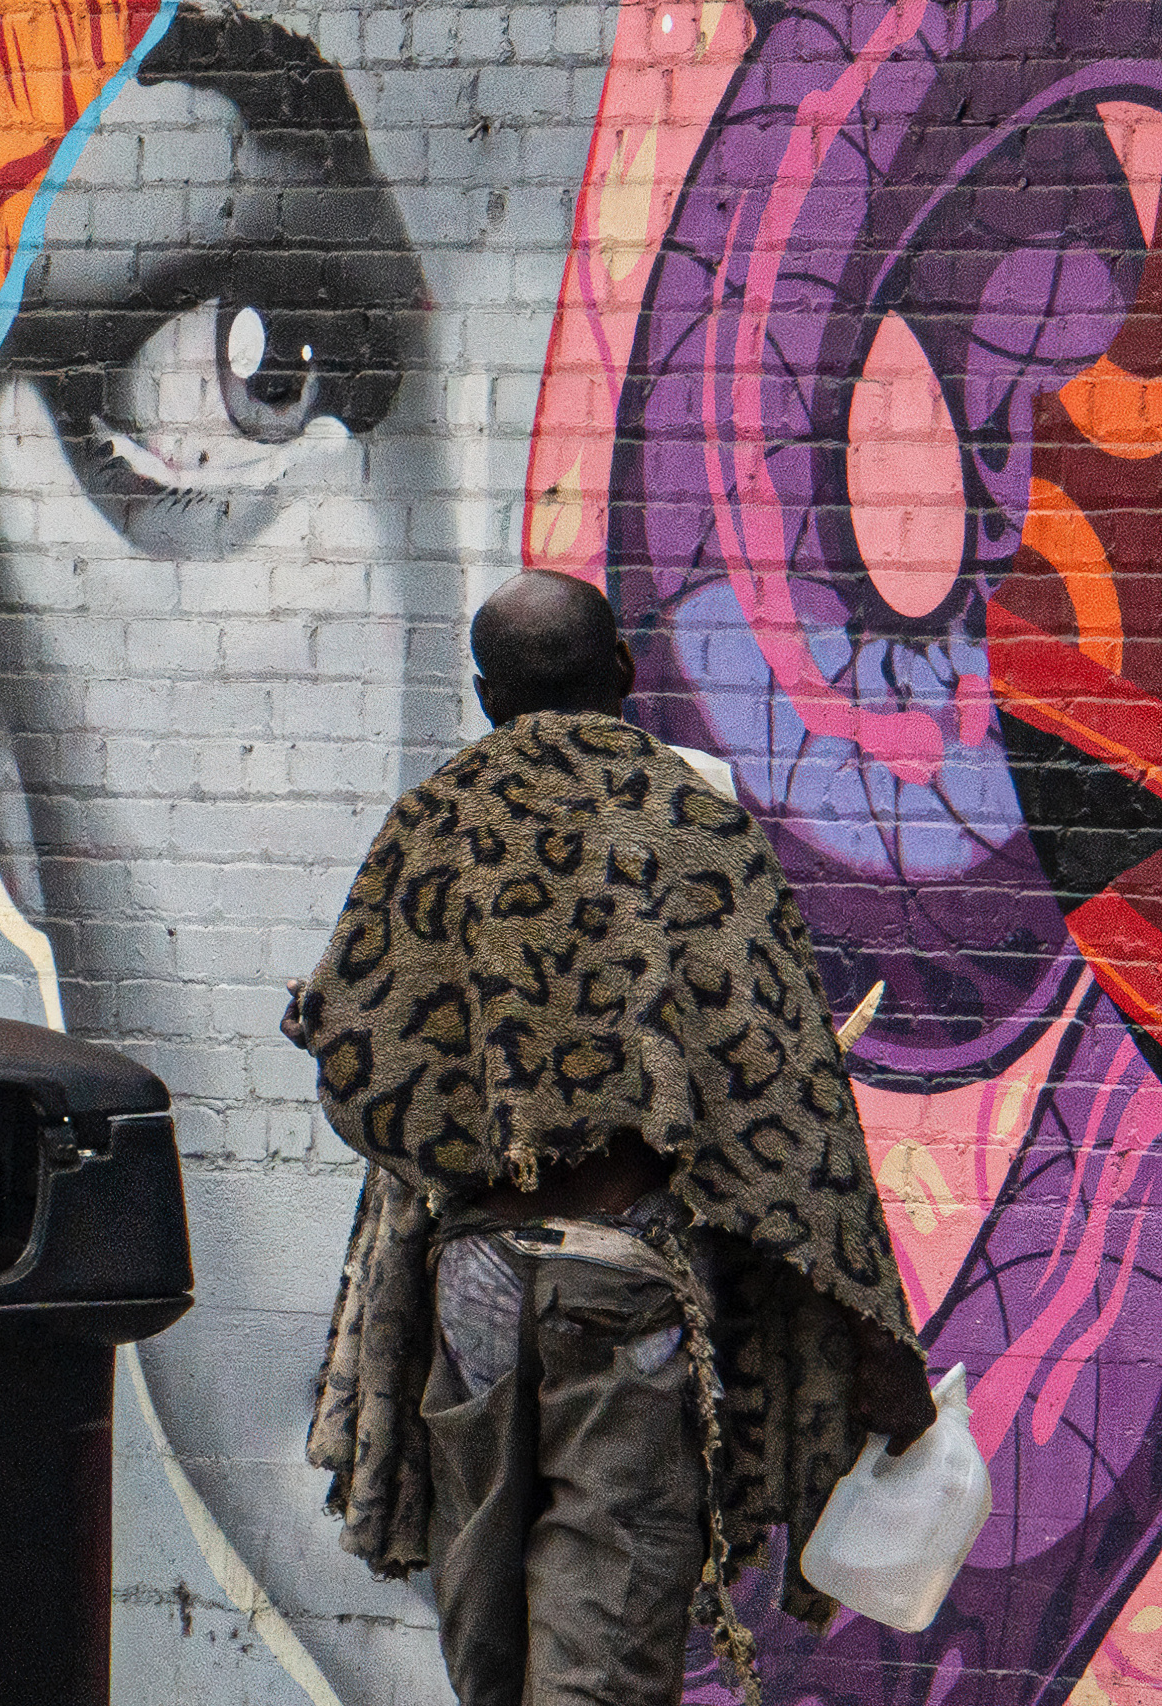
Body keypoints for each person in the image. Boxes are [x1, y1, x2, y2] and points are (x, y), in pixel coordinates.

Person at [282, 568, 935, 1706]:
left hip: (472, 1284)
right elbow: (792, 1106)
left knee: (488, 1645)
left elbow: (356, 1049)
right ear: (625, 671)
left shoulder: (433, 823)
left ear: (486, 696)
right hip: (623, 1282)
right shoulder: (690, 825)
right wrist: (879, 1341)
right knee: (604, 1655)